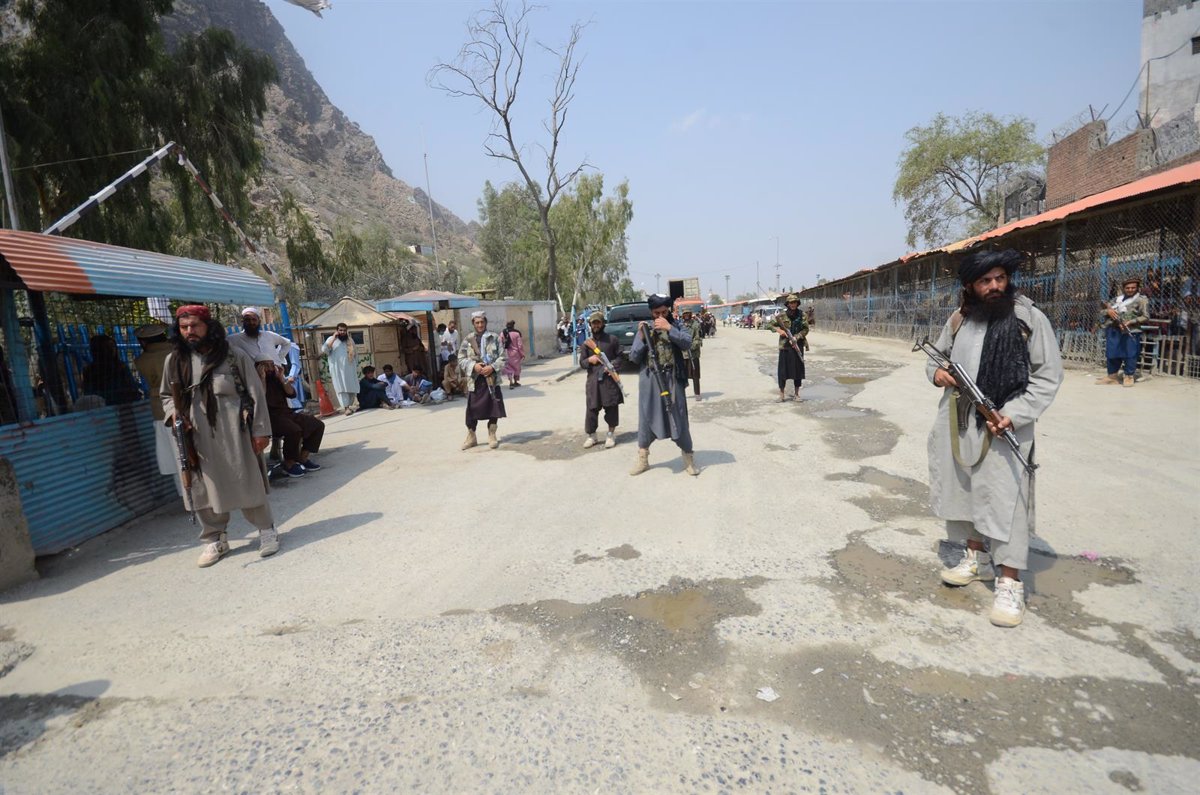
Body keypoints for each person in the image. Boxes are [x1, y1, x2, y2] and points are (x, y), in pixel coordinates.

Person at [926, 249, 1063, 628]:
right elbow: (935, 358)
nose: (994, 286)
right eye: (985, 281)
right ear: (971, 286)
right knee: (967, 491)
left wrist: (1013, 415)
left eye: (1000, 278)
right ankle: (977, 558)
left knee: (1007, 503)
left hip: (1005, 428)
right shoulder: (959, 320)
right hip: (959, 423)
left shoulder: (1028, 319)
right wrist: (937, 374)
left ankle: (1009, 583)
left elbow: (1048, 376)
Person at [160, 304, 278, 567]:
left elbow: (256, 394)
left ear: (208, 327)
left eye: (194, 326)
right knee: (202, 490)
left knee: (247, 481)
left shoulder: (234, 357)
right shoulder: (175, 361)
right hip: (197, 440)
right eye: (183, 327)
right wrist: (174, 414)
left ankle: (266, 531)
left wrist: (260, 431)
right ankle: (215, 540)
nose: (189, 332)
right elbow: (167, 397)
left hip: (235, 435)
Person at [628, 294, 699, 477]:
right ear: (651, 312)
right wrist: (643, 337)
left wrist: (669, 329)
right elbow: (634, 356)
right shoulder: (645, 327)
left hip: (673, 378)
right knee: (645, 417)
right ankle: (643, 458)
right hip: (651, 380)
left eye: (664, 312)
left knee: (680, 417)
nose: (660, 315)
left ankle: (688, 458)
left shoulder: (676, 325)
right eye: (656, 312)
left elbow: (687, 343)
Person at [133, 324, 180, 494]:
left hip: (162, 412)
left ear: (143, 342)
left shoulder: (142, 360)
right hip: (189, 406)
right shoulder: (180, 352)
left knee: (175, 455)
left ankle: (186, 495)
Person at [457, 310, 507, 450]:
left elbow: (503, 357)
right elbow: (460, 359)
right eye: (477, 322)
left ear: (486, 322)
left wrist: (492, 367)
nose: (480, 325)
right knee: (472, 409)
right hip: (475, 381)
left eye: (482, 322)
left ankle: (492, 435)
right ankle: (471, 436)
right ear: (473, 323)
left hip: (491, 380)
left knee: (493, 408)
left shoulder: (495, 338)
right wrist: (474, 366)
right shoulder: (467, 340)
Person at [264, 362, 325, 477]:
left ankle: (303, 458)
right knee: (294, 430)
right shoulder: (256, 381)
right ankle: (289, 463)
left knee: (317, 424)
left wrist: (282, 378)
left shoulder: (277, 380)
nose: (269, 368)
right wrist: (261, 377)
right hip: (270, 417)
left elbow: (291, 393)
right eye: (266, 366)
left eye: (271, 365)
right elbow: (259, 395)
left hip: (286, 413)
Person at [579, 311, 624, 449]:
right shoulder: (587, 344)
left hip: (609, 380)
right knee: (591, 409)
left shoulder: (612, 340)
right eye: (594, 323)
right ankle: (592, 435)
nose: (596, 325)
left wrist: (611, 366)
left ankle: (611, 434)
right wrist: (589, 360)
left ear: (603, 323)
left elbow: (620, 357)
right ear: (590, 325)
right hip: (593, 381)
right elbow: (582, 363)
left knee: (611, 407)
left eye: (598, 322)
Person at [1096, 277, 1150, 387]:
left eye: (1133, 288)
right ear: (1124, 288)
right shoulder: (1117, 299)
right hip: (1114, 329)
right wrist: (1109, 311)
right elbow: (1102, 311)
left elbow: (1146, 316)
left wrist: (1131, 321)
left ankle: (1129, 376)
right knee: (1112, 352)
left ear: (1137, 288)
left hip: (1131, 330)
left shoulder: (1141, 300)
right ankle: (1112, 376)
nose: (1130, 290)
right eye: (1128, 288)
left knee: (1130, 354)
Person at [766, 293, 809, 401]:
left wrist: (797, 337)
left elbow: (805, 329)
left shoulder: (802, 315)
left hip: (797, 345)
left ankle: (797, 394)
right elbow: (769, 325)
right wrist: (779, 330)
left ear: (797, 303)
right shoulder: (781, 315)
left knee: (798, 371)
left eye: (795, 302)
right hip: (784, 346)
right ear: (788, 304)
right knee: (782, 372)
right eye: (791, 303)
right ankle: (781, 395)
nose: (793, 304)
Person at [81, 333, 142, 406]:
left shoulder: (121, 367)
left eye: (113, 347)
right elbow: (90, 395)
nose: (112, 350)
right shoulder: (89, 371)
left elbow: (132, 389)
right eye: (107, 347)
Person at [321, 322, 358, 415]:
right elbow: (325, 350)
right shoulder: (331, 339)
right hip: (337, 370)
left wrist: (355, 365)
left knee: (352, 389)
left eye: (344, 330)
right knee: (342, 388)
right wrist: (334, 337)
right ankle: (346, 408)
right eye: (340, 330)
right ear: (337, 331)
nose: (342, 332)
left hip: (350, 369)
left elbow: (355, 354)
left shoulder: (350, 340)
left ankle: (349, 406)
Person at [680, 307, 703, 400]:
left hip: (693, 354)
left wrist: (691, 346)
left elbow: (697, 338)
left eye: (688, 314)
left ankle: (697, 393)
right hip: (682, 354)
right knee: (682, 374)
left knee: (695, 374)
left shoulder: (695, 325)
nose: (686, 316)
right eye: (684, 314)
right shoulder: (680, 325)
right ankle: (681, 393)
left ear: (690, 314)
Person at [502, 320, 525, 389]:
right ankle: (515, 382)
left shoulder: (503, 333)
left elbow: (500, 343)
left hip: (506, 353)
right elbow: (520, 345)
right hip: (515, 354)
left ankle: (511, 382)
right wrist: (522, 354)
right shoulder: (517, 334)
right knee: (516, 368)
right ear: (513, 325)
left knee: (508, 368)